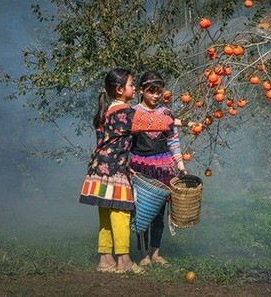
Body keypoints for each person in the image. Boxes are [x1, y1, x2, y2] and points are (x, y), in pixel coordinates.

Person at [79, 68, 189, 274]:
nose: (132, 87)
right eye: (131, 84)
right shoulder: (126, 113)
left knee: (106, 216)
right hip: (114, 169)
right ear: (120, 89)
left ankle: (105, 260)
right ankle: (124, 261)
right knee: (120, 213)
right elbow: (153, 122)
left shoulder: (106, 110)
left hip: (97, 169)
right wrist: (186, 123)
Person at [130, 71, 187, 267]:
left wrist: (180, 164)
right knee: (142, 211)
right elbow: (127, 143)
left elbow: (173, 140)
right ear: (141, 91)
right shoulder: (133, 113)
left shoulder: (166, 113)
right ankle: (143, 254)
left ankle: (156, 252)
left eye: (158, 92)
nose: (155, 95)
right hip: (140, 168)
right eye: (151, 91)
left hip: (163, 168)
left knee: (159, 213)